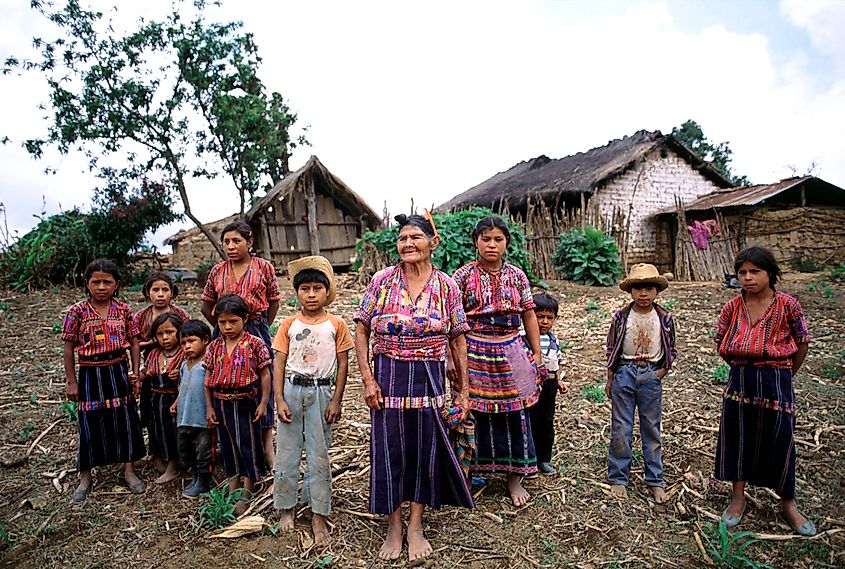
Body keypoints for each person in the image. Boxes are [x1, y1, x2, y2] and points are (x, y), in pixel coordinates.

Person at [354, 213, 474, 563]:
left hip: (429, 376)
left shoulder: (447, 286)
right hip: (388, 376)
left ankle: (416, 524)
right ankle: (393, 523)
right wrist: (368, 378)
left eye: (415, 238)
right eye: (403, 238)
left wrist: (463, 391)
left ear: (431, 244)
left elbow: (457, 338)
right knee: (389, 448)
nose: (407, 244)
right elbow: (362, 328)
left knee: (424, 448)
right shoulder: (382, 280)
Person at [714, 246, 815, 536]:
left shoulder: (787, 305)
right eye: (742, 272)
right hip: (741, 379)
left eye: (755, 271)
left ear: (770, 272)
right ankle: (737, 498)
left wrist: (783, 374)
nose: (748, 278)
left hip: (776, 379)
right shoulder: (732, 307)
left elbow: (802, 341)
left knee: (781, 439)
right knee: (738, 436)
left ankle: (789, 503)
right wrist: (742, 364)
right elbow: (721, 340)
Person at [452, 215, 542, 507]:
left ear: (506, 243)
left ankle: (514, 478)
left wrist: (536, 350)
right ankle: (467, 475)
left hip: (511, 346)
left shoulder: (517, 276)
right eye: (486, 239)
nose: (492, 245)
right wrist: (452, 357)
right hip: (474, 346)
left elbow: (528, 312)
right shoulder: (462, 276)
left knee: (516, 409)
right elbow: (452, 320)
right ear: (475, 242)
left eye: (498, 239)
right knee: (472, 411)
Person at [272, 256, 354, 545]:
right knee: (288, 452)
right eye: (304, 289)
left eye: (316, 289)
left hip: (321, 392)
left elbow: (343, 365)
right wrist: (279, 398)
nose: (310, 294)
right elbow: (279, 363)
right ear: (296, 293)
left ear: (326, 291)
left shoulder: (337, 324)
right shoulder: (288, 325)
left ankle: (319, 514)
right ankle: (285, 508)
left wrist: (336, 401)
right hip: (292, 391)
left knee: (319, 454)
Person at [61, 259, 145, 502]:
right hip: (90, 373)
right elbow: (68, 347)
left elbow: (135, 342)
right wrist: (71, 381)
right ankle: (85, 475)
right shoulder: (77, 311)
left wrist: (135, 372)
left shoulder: (124, 310)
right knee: (89, 421)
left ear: (116, 284)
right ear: (87, 283)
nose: (101, 286)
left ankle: (129, 470)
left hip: (118, 370)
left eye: (107, 282)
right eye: (95, 281)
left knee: (125, 418)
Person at [201, 220, 281, 468]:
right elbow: (207, 304)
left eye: (237, 241)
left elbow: (273, 301)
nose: (231, 246)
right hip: (226, 332)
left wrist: (258, 327)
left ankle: (267, 448)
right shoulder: (217, 271)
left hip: (256, 327)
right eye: (226, 242)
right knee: (226, 382)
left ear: (250, 242)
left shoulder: (263, 267)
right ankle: (231, 450)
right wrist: (225, 326)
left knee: (261, 382)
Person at [604, 263, 676, 503]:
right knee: (621, 428)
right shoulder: (621, 317)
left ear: (656, 291)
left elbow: (671, 349)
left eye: (648, 289)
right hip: (625, 371)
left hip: (650, 374)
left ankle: (655, 479)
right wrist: (611, 378)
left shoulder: (664, 318)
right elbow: (612, 348)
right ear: (630, 292)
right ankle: (618, 477)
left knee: (651, 429)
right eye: (638, 289)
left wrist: (661, 372)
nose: (643, 294)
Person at [203, 294, 272, 515]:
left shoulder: (255, 344)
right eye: (222, 322)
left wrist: (263, 403)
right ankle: (233, 481)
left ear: (245, 319)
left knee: (247, 443)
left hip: (246, 401)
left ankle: (248, 486)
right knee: (228, 443)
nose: (227, 326)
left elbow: (265, 375)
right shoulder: (214, 347)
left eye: (233, 321)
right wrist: (210, 407)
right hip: (221, 402)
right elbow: (207, 380)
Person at [132, 271, 189, 448]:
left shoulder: (179, 314)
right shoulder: (141, 316)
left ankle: (179, 449)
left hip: (176, 367)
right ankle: (156, 448)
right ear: (147, 292)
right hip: (152, 369)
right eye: (155, 290)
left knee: (176, 407)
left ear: (172, 292)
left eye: (165, 289)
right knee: (150, 408)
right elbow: (134, 341)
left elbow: (188, 338)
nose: (161, 294)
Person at [170, 319, 214, 499]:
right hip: (184, 416)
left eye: (191, 341)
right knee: (186, 450)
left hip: (202, 419)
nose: (187, 347)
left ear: (205, 340)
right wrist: (176, 403)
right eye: (183, 343)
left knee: (204, 452)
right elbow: (182, 387)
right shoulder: (183, 365)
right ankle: (195, 476)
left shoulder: (207, 364)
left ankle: (204, 483)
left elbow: (210, 388)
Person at [526, 292, 569, 476]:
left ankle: (543, 459)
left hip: (549, 385)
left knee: (546, 421)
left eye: (549, 318)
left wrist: (558, 380)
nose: (544, 321)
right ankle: (528, 459)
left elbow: (556, 362)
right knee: (530, 421)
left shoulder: (553, 339)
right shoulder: (523, 337)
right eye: (540, 316)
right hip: (530, 386)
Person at [142, 312, 184, 484]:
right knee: (156, 428)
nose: (165, 338)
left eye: (170, 332)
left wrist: (180, 374)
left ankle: (174, 465)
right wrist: (137, 377)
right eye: (160, 334)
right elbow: (147, 372)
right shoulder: (153, 355)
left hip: (174, 399)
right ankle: (158, 456)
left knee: (172, 431)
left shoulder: (183, 354)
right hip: (155, 400)